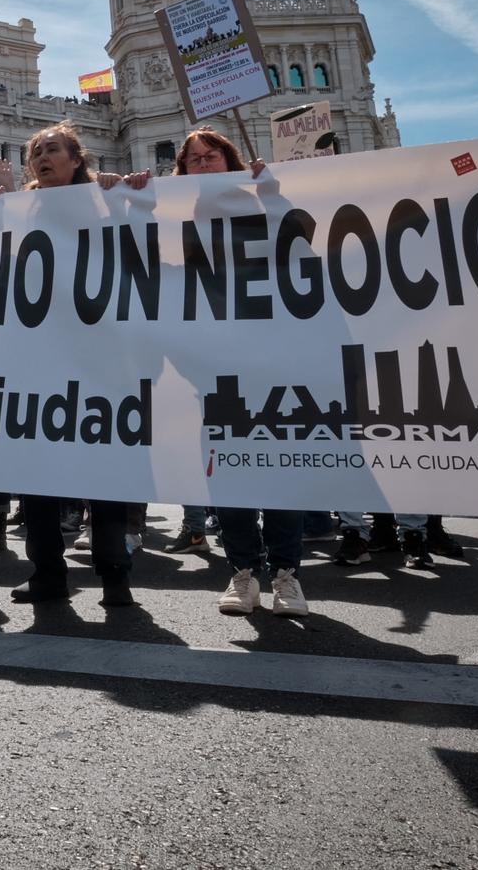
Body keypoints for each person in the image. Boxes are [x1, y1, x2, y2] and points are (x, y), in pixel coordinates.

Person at [0, 122, 147, 608]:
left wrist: (130, 193)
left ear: (77, 159)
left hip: (100, 357)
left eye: (52, 149)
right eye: (35, 151)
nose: (41, 157)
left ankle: (114, 572)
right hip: (38, 358)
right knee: (39, 476)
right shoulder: (19, 208)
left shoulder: (105, 197)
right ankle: (47, 572)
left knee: (104, 473)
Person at [165, 128, 309, 615]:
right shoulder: (176, 219)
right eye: (193, 161)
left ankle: (286, 574)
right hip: (215, 368)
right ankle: (242, 572)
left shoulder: (260, 208)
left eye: (211, 157)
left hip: (273, 361)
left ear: (230, 162)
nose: (202, 166)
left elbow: (304, 238)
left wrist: (274, 193)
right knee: (229, 474)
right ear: (181, 172)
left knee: (281, 470)